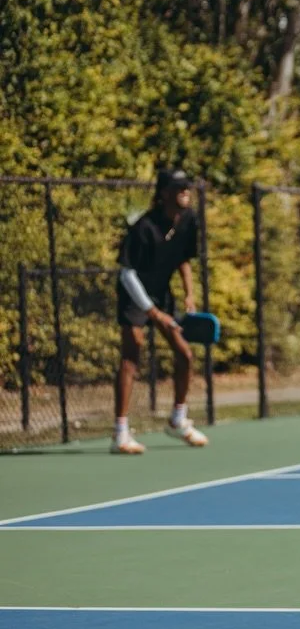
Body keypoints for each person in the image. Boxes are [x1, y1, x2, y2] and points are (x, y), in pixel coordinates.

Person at [111, 168, 209, 455]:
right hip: (133, 293)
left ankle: (178, 419)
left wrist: (189, 293)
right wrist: (153, 313)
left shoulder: (189, 220)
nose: (186, 193)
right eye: (179, 189)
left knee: (184, 354)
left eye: (187, 188)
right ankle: (121, 433)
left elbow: (183, 259)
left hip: (162, 293)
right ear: (164, 194)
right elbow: (127, 274)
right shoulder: (143, 227)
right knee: (132, 355)